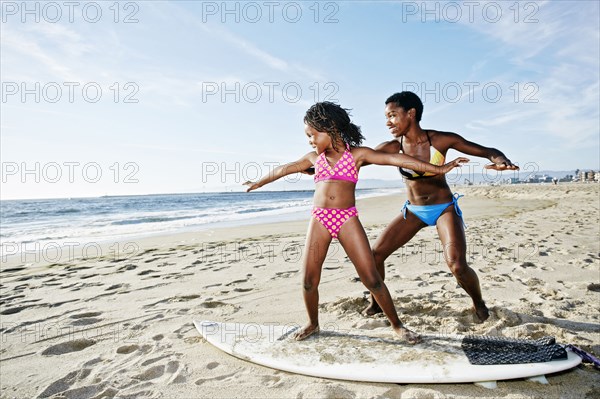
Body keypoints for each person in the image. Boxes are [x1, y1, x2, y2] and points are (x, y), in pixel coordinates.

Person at [244, 101, 469, 342]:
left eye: (312, 135)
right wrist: (259, 182)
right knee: (309, 281)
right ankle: (312, 323)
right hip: (319, 219)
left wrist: (440, 169)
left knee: (371, 278)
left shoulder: (358, 155)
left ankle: (397, 325)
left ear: (329, 128)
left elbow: (398, 160)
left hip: (346, 219)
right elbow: (285, 169)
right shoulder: (313, 158)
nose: (309, 141)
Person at [362, 91, 519, 322]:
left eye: (393, 115)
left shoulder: (441, 140)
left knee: (457, 265)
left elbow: (487, 151)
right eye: (387, 117)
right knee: (375, 255)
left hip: (444, 207)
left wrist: (500, 161)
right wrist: (314, 167)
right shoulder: (392, 147)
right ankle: (376, 304)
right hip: (414, 211)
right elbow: (356, 160)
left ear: (411, 113)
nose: (388, 122)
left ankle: (479, 303)